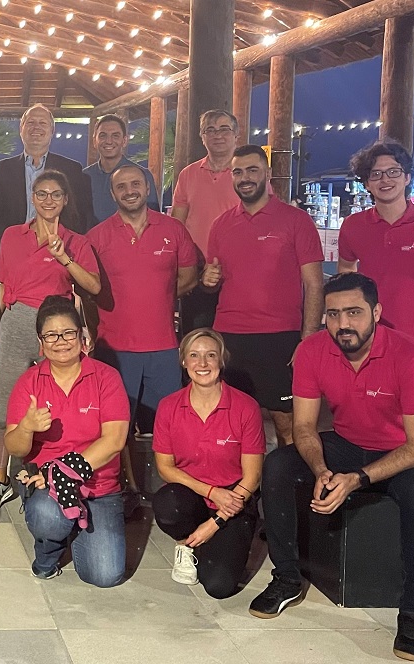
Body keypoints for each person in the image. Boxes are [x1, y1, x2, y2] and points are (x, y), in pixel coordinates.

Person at [252, 273, 414, 662]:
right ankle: (287, 577)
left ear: (376, 312)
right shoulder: (311, 350)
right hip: (347, 444)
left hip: (403, 452)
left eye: (354, 313)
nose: (343, 324)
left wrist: (357, 479)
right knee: (277, 466)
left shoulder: (411, 355)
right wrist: (322, 468)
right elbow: (305, 427)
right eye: (333, 314)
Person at [0, 170, 101, 513]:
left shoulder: (76, 241)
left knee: (48, 407)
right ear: (31, 197)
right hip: (18, 320)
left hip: (55, 325)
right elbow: (3, 286)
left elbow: (93, 287)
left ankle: (38, 476)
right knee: (6, 404)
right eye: (41, 193)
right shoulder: (12, 235)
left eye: (55, 194)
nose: (48, 200)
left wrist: (65, 257)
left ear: (65, 200)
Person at [86, 163, 198, 498]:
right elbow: (88, 289)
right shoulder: (97, 237)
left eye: (136, 184)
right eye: (122, 187)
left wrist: (154, 294)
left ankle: (173, 491)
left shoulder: (174, 230)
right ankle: (129, 490)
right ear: (112, 193)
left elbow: (188, 277)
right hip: (114, 348)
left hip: (163, 347)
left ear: (148, 188)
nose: (130, 191)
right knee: (119, 428)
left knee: (169, 426)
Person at [201, 145, 324, 447]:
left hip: (280, 338)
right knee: (232, 425)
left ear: (267, 174)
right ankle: (241, 491)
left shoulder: (296, 221)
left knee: (288, 423)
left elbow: (315, 285)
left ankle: (292, 489)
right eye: (238, 172)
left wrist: (307, 339)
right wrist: (207, 281)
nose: (245, 178)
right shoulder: (221, 225)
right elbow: (212, 284)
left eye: (252, 170)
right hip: (230, 337)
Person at [5, 295, 130, 585]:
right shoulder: (29, 382)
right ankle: (49, 551)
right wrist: (26, 427)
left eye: (68, 333)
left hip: (99, 487)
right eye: (51, 335)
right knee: (46, 516)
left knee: (105, 576)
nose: (60, 341)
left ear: (81, 336)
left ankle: (73, 525)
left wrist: (60, 469)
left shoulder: (106, 378)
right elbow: (15, 446)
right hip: (47, 488)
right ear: (41, 341)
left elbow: (114, 441)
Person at [338, 139, 414, 384]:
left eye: (393, 172)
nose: (385, 180)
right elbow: (345, 273)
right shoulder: (354, 226)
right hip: (369, 339)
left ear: (407, 178)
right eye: (376, 174)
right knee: (369, 418)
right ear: (366, 183)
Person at [151, 328, 264, 598]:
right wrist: (212, 493)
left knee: (218, 586)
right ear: (184, 361)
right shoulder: (168, 407)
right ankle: (185, 543)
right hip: (192, 496)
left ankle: (209, 540)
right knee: (168, 503)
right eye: (194, 355)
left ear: (221, 361)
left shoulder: (245, 407)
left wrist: (214, 523)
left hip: (234, 501)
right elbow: (165, 468)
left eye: (210, 355)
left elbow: (252, 477)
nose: (202, 364)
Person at [0, 103, 95, 250]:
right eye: (31, 122)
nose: (36, 127)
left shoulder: (72, 170)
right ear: (21, 129)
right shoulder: (0, 170)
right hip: (13, 251)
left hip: (59, 251)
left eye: (43, 123)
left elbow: (82, 216)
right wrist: (7, 246)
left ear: (52, 130)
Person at [171, 110, 243, 332]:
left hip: (238, 270)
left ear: (236, 135)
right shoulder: (188, 174)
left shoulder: (246, 175)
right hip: (198, 271)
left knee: (234, 337)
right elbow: (176, 225)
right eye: (210, 130)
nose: (217, 135)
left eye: (224, 129)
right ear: (202, 137)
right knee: (196, 333)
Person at [83, 114, 159, 223]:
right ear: (94, 141)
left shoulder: (142, 175)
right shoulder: (84, 177)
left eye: (115, 136)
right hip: (92, 239)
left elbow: (153, 218)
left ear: (124, 141)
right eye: (103, 136)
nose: (109, 141)